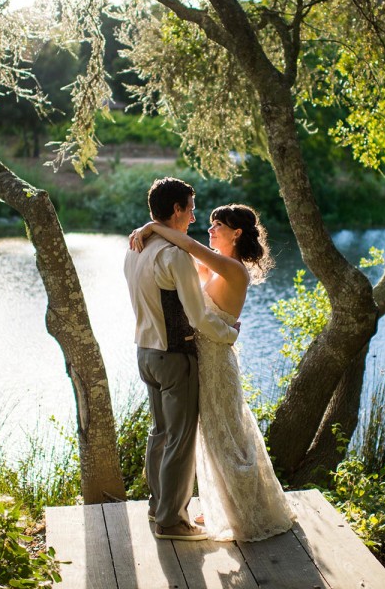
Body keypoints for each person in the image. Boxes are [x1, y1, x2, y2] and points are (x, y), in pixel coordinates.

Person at [130, 201, 295, 542]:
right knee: (212, 437)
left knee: (228, 437)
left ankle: (250, 512)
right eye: (208, 225)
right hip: (201, 360)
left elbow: (188, 245)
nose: (209, 230)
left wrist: (152, 227)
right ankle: (223, 504)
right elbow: (182, 262)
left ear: (236, 233)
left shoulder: (234, 269)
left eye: (216, 225)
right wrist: (152, 235)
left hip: (217, 362)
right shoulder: (214, 269)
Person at [123, 177, 240, 542]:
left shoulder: (135, 247)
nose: (192, 217)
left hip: (145, 352)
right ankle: (172, 521)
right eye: (190, 209)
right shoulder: (175, 256)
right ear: (176, 209)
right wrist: (231, 334)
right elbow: (199, 318)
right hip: (175, 357)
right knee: (180, 439)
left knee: (160, 433)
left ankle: (158, 507)